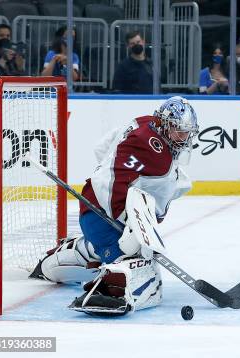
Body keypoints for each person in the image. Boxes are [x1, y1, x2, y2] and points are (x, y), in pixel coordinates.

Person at [30, 97, 199, 315]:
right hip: (100, 215)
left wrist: (109, 179)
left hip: (95, 206)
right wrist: (129, 221)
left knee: (120, 249)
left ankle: (64, 256)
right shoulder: (159, 159)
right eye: (180, 130)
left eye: (187, 131)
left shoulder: (144, 122)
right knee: (139, 267)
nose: (185, 137)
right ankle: (104, 288)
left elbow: (103, 147)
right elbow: (158, 207)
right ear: (165, 125)